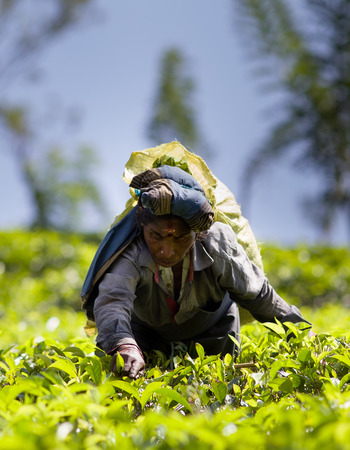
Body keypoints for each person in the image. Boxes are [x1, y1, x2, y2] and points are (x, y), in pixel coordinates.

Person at [81, 145, 310, 379]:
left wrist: (302, 335)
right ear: (142, 227)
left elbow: (260, 297)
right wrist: (124, 345)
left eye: (180, 238)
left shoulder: (217, 244)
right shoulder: (131, 249)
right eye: (156, 236)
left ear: (198, 234)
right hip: (145, 338)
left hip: (214, 337)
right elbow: (113, 302)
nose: (167, 251)